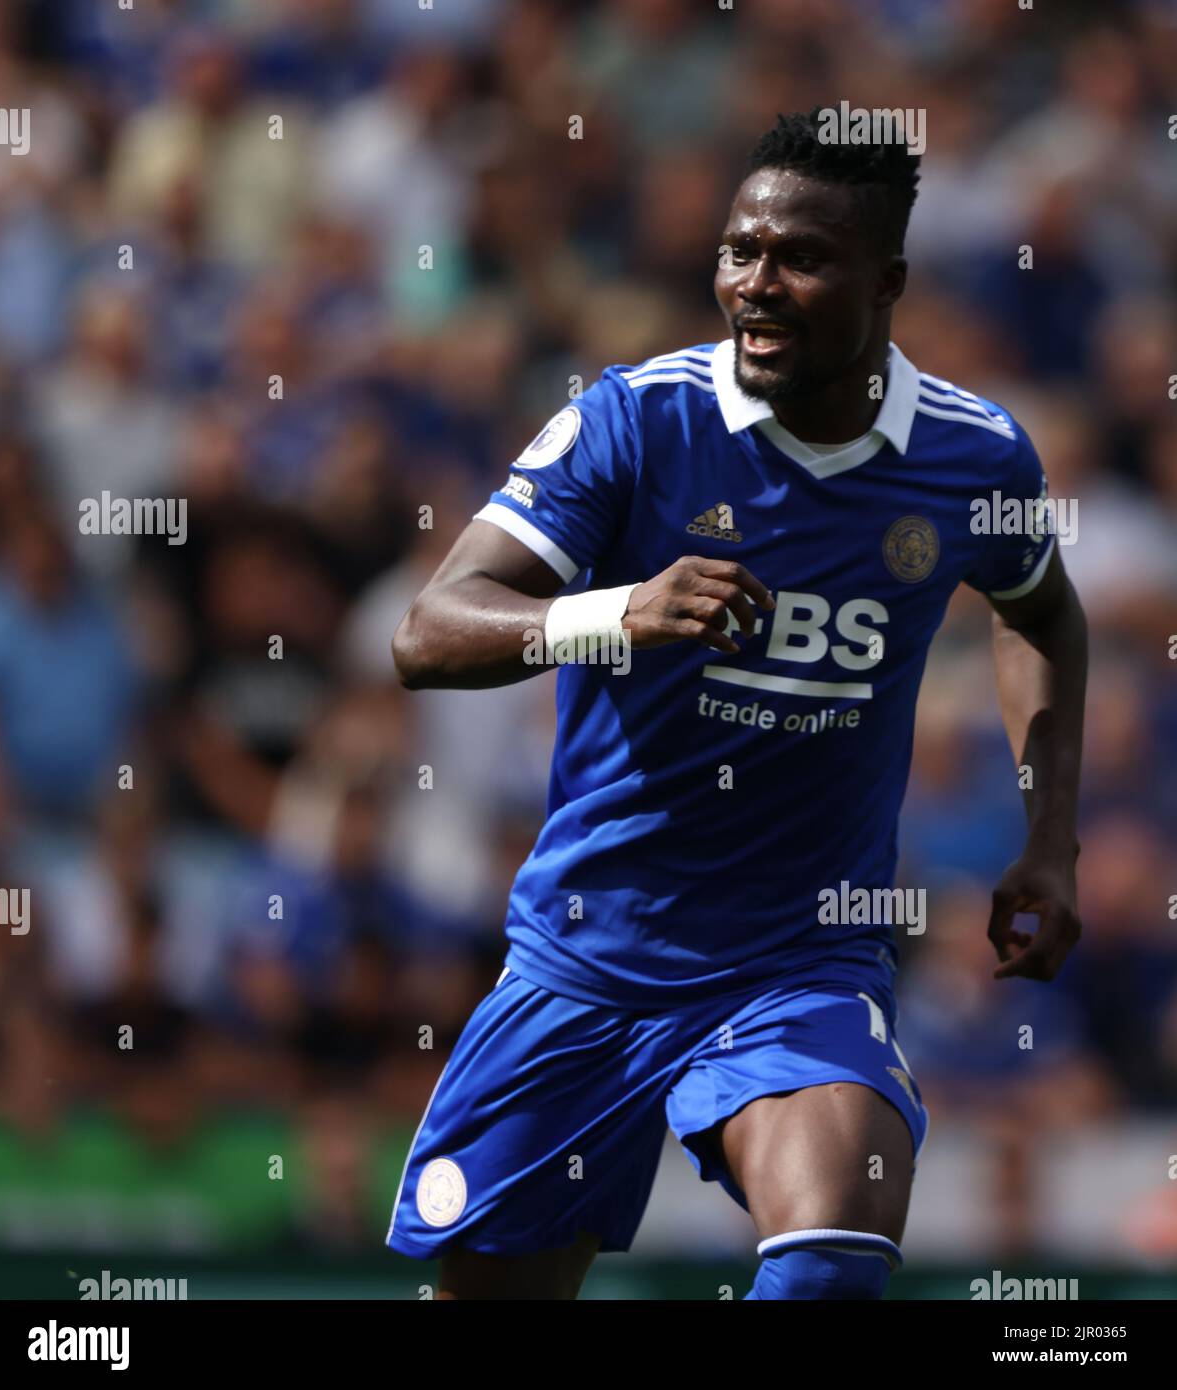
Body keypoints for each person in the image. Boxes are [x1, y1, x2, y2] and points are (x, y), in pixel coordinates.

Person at [386, 107, 1087, 1300]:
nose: (753, 285)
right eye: (736, 252)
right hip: (586, 955)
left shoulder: (974, 460)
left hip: (796, 959)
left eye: (798, 258)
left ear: (887, 282)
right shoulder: (637, 421)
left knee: (828, 1265)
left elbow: (1038, 612)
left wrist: (1047, 839)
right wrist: (619, 612)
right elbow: (428, 631)